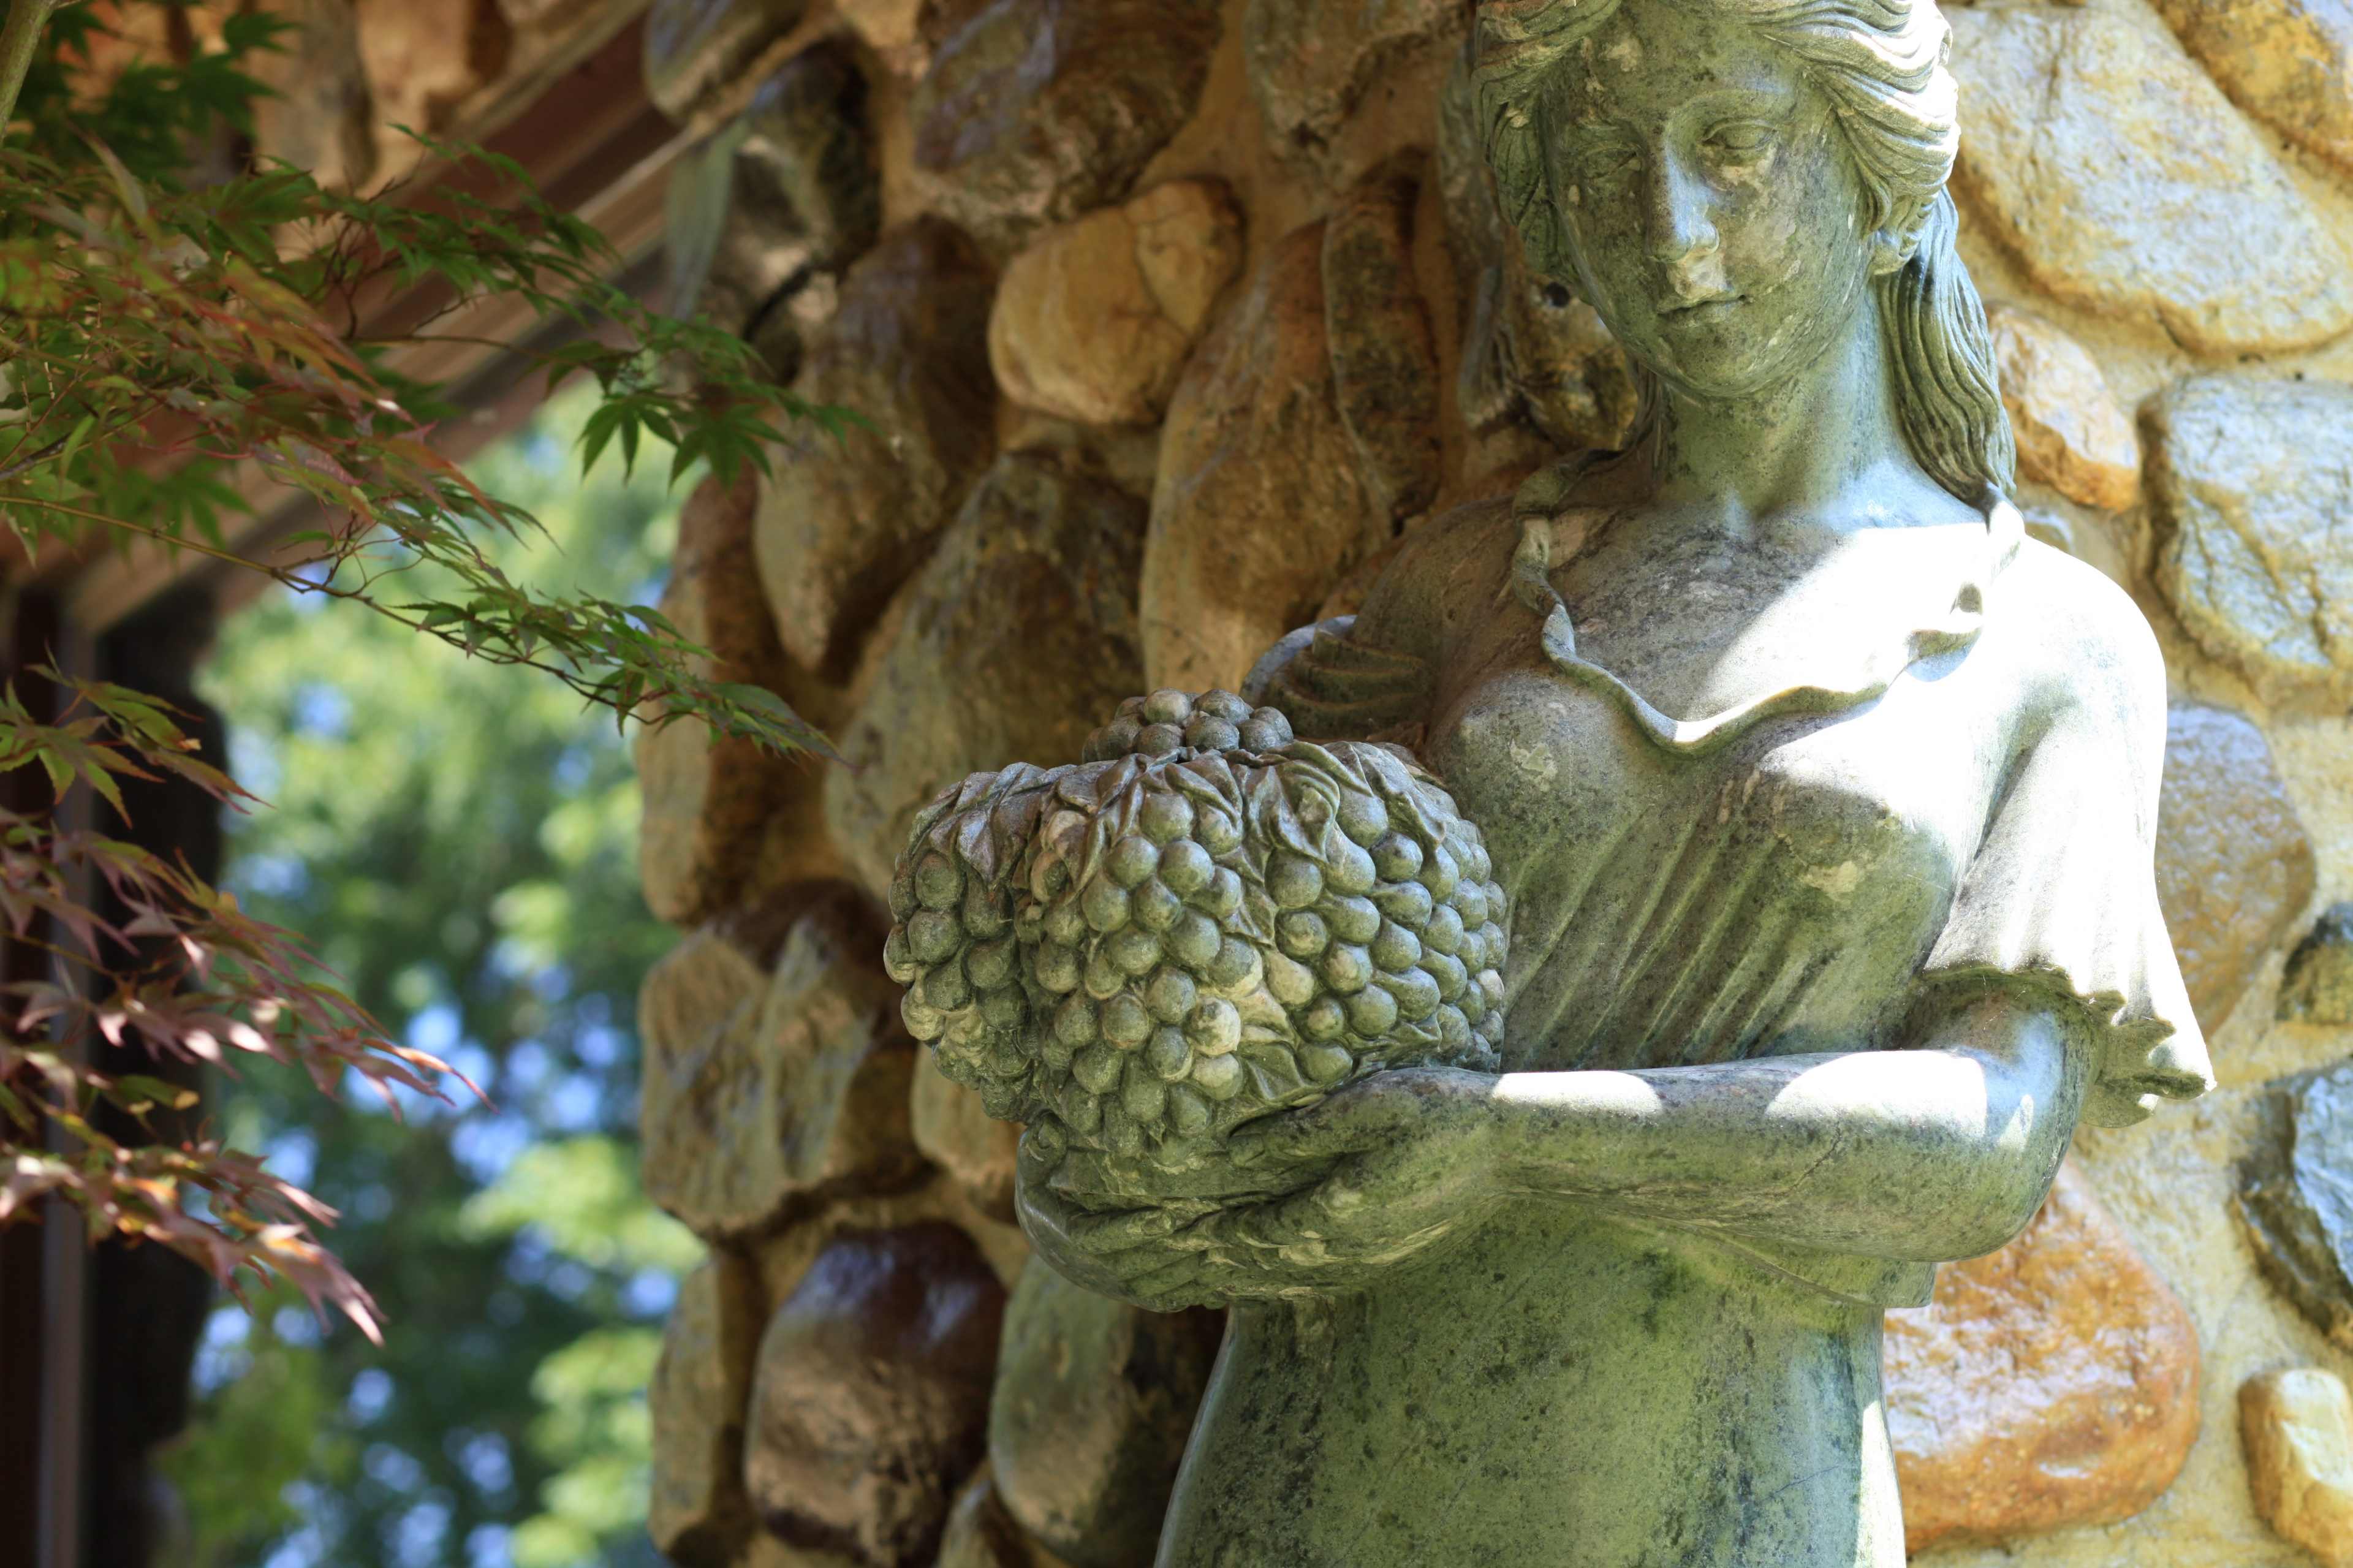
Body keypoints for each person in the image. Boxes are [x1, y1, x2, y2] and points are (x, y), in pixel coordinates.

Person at [1017, 0, 2213, 1561]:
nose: (1674, 230)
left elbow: (1987, 1141)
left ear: (1878, 168)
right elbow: (1224, 1031)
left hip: (1730, 1483)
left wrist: (1511, 1137)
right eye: (1604, 168)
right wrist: (1107, 1161)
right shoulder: (1458, 589)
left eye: (1732, 144)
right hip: (1316, 1464)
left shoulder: (2047, 644)